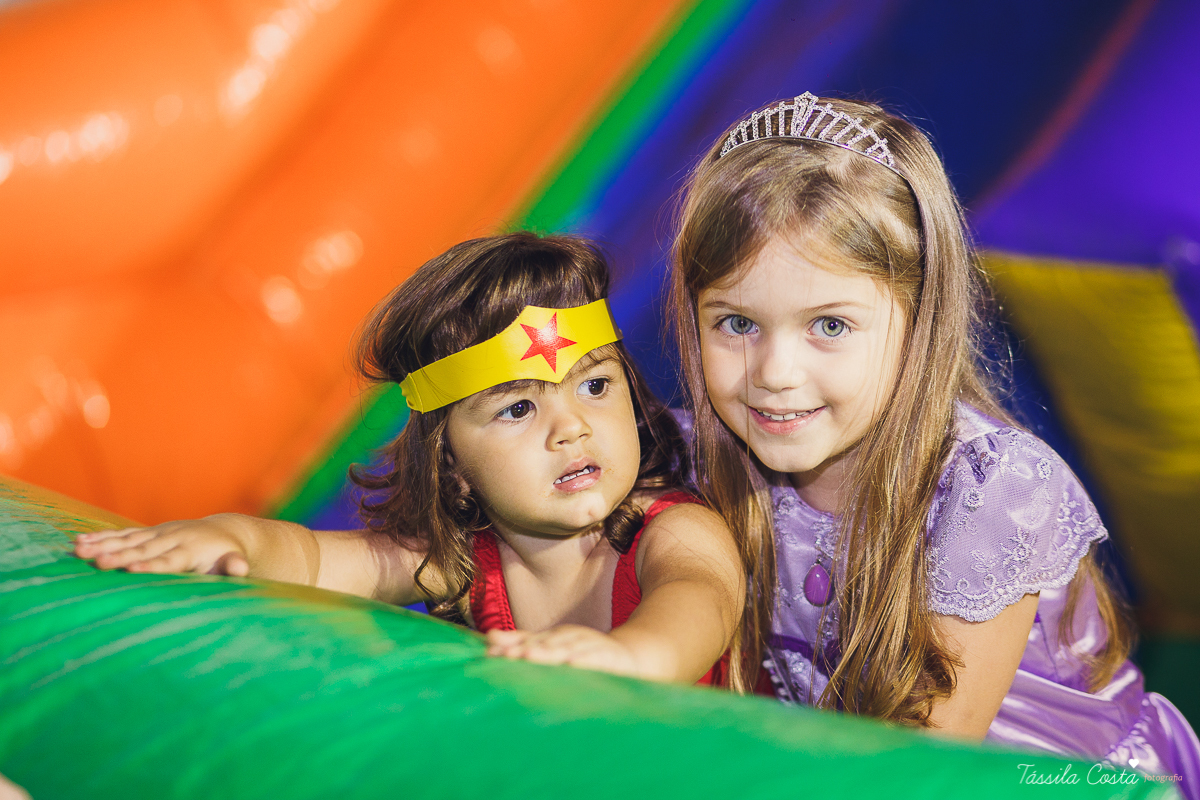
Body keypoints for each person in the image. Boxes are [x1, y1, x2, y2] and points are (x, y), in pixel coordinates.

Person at [668, 91, 1200, 792]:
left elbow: (916, 766)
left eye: (829, 325)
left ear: (920, 322)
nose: (774, 375)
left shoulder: (992, 494)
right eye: (736, 324)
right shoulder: (704, 454)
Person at [75, 233, 746, 689]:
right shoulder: (460, 560)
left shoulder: (671, 531)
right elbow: (314, 561)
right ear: (452, 462)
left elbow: (701, 602)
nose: (571, 428)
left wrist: (631, 656)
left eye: (595, 386)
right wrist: (233, 539)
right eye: (517, 409)